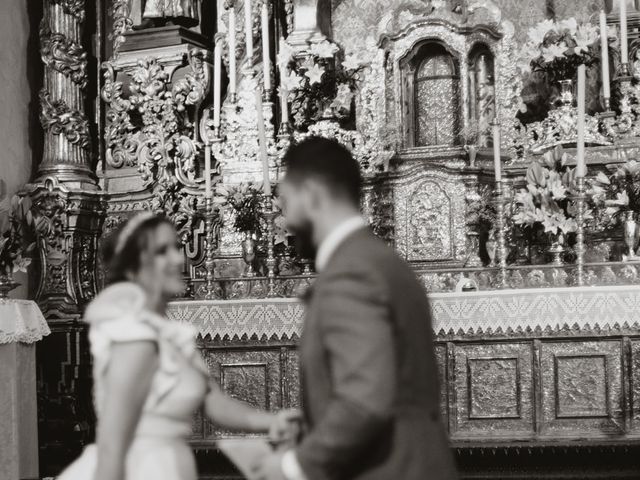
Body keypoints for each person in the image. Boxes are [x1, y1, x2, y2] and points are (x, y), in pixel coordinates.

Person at [256, 137, 458, 480]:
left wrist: (294, 466)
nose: (285, 220)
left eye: (287, 201)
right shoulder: (383, 261)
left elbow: (364, 400)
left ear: (313, 193)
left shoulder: (352, 272)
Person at [58, 213, 298, 480]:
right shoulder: (135, 340)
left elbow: (213, 402)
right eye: (162, 251)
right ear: (132, 268)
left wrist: (272, 421)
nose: (177, 259)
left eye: (176, 247)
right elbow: (113, 442)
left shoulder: (171, 335)